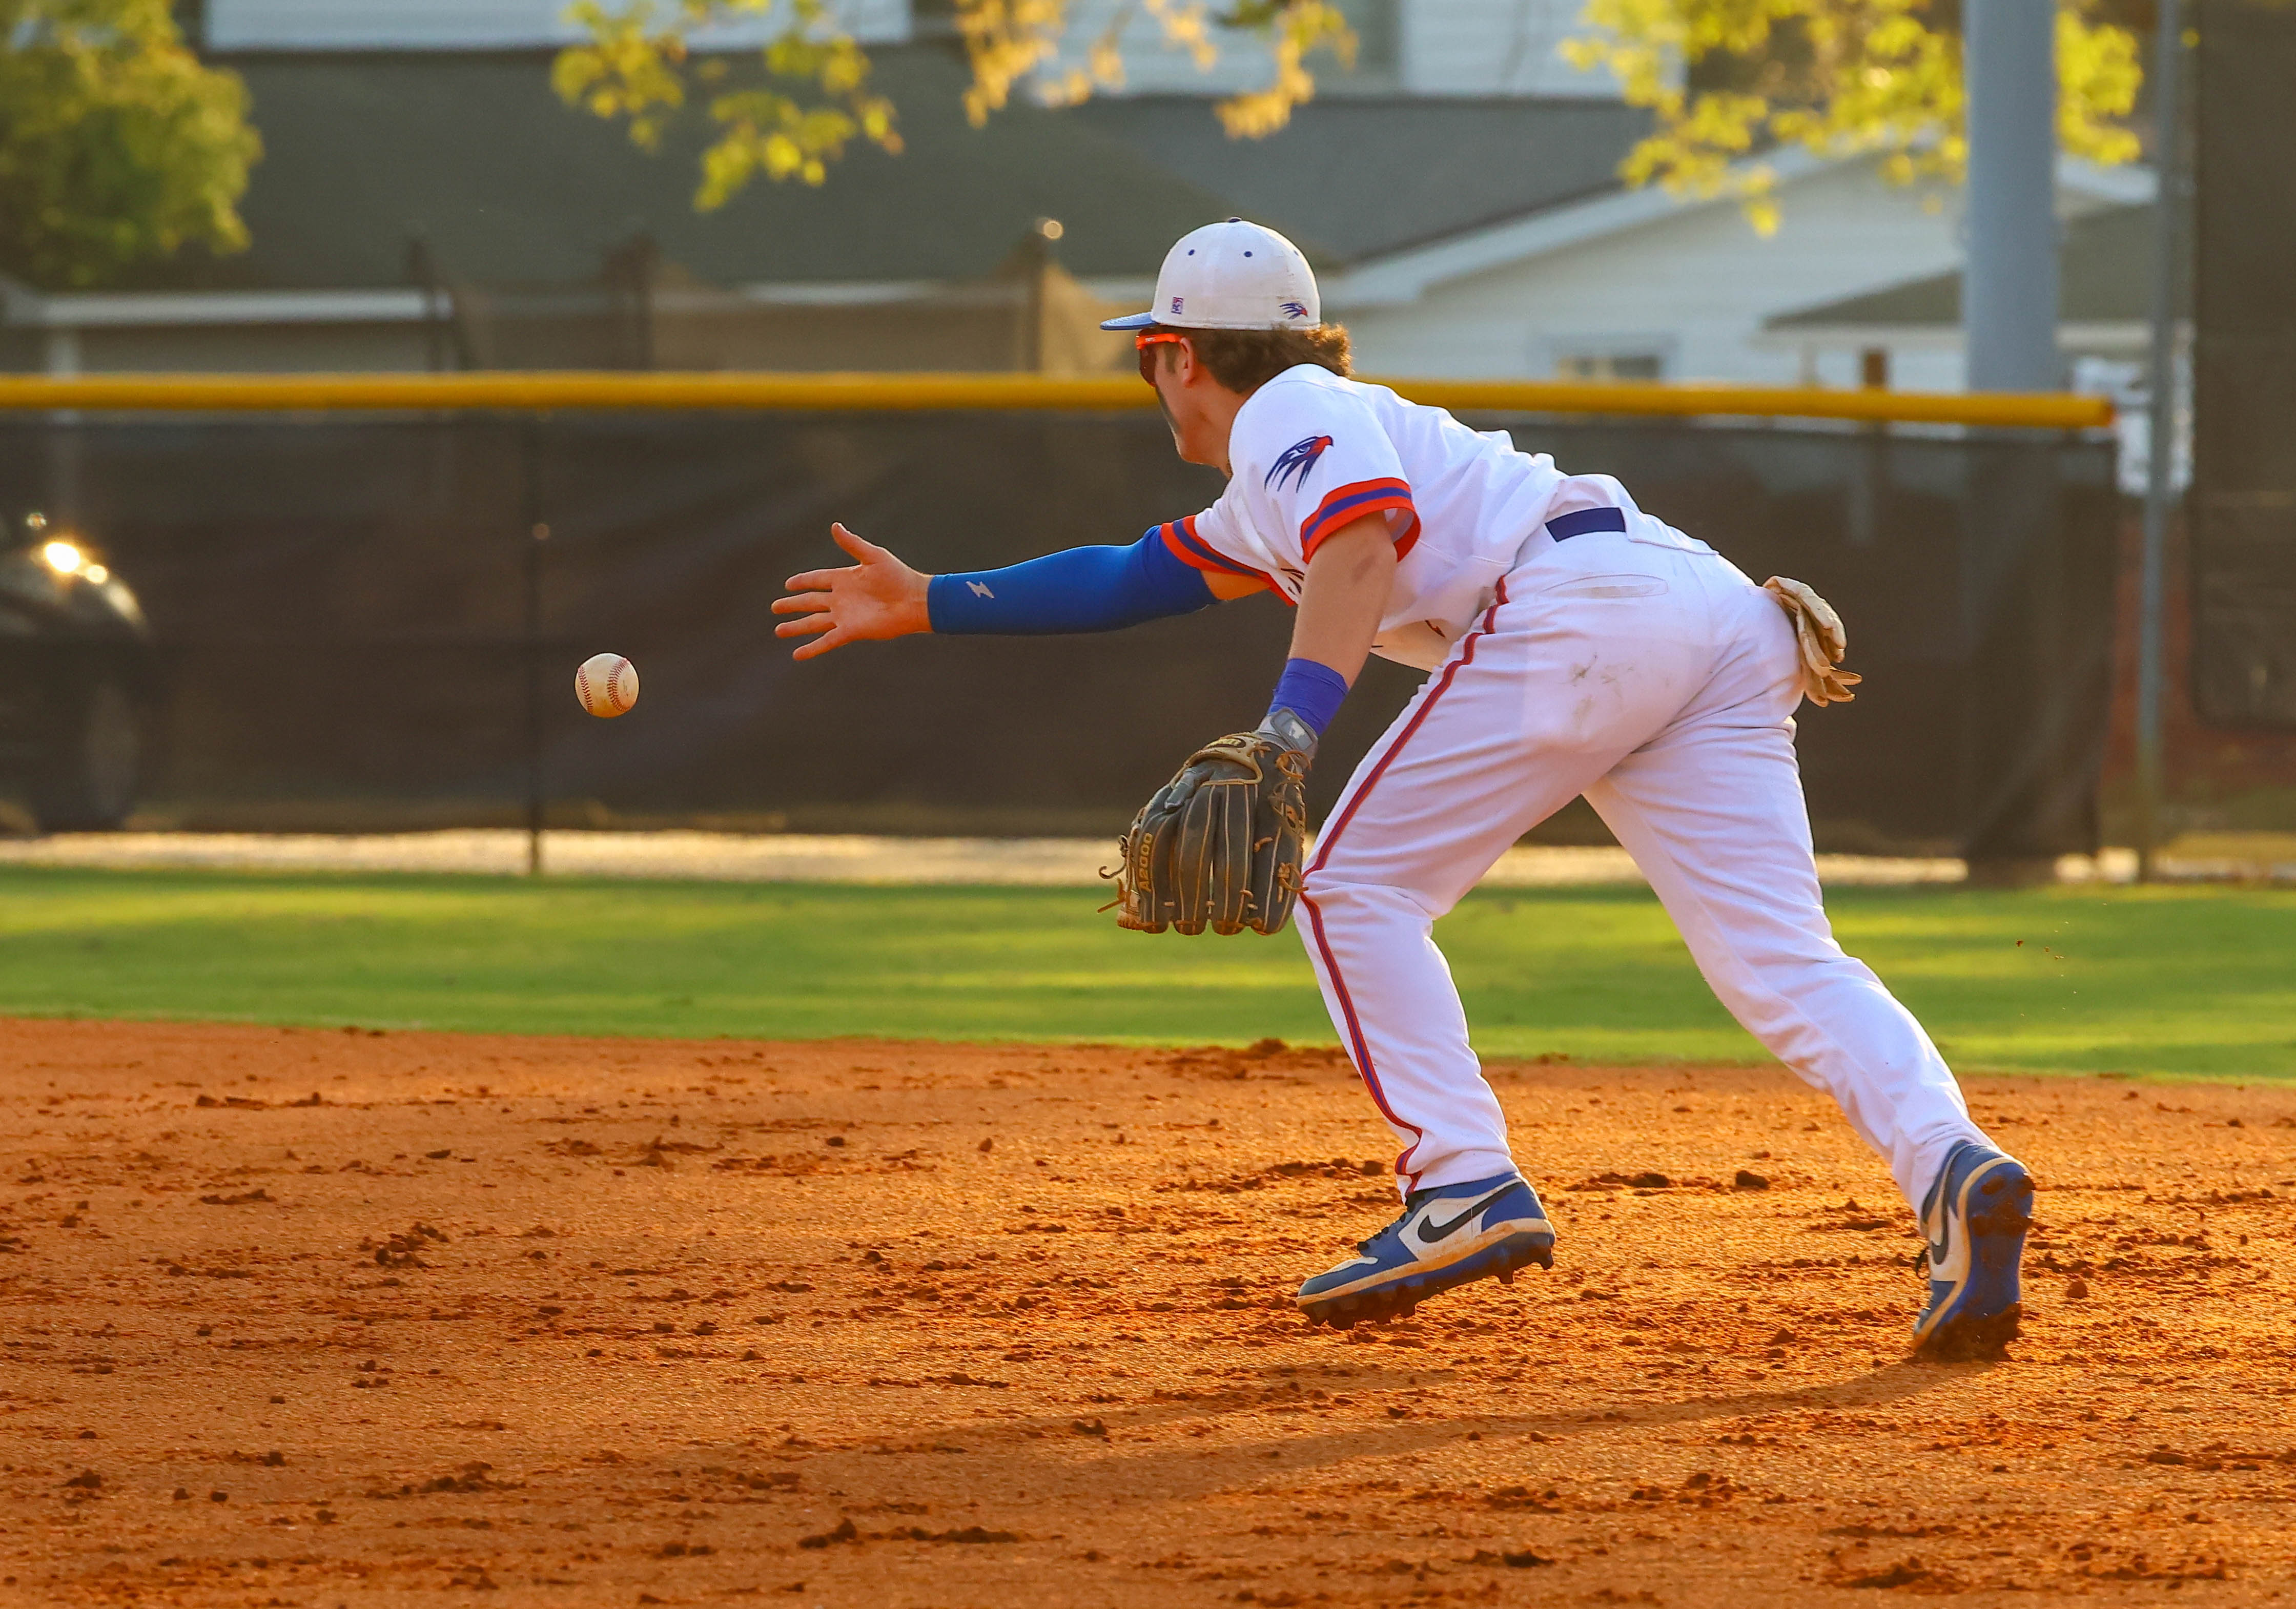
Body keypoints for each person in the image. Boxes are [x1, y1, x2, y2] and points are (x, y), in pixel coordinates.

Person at [771, 218, 2034, 1358]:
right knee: (1785, 961)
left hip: (1583, 611)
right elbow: (1130, 575)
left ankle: (1462, 1181)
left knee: (1352, 887)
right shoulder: (1281, 463)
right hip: (1704, 608)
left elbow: (1359, 544)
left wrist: (1288, 730)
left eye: (1150, 357)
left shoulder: (1284, 415)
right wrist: (934, 601)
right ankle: (1950, 1163)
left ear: (1171, 354)